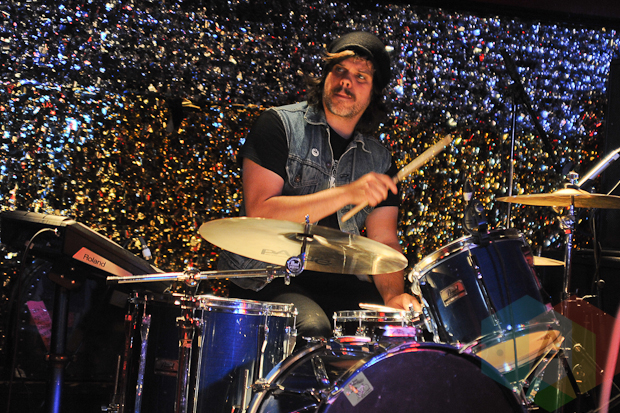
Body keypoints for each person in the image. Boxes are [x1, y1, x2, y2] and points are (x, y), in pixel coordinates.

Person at [218, 31, 420, 343]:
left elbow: (385, 242)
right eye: (339, 70)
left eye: (361, 76)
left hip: (337, 278)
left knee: (396, 333)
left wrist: (394, 296)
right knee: (313, 329)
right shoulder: (278, 125)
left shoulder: (378, 160)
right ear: (325, 76)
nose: (346, 82)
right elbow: (260, 211)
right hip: (270, 277)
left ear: (373, 93)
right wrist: (348, 193)